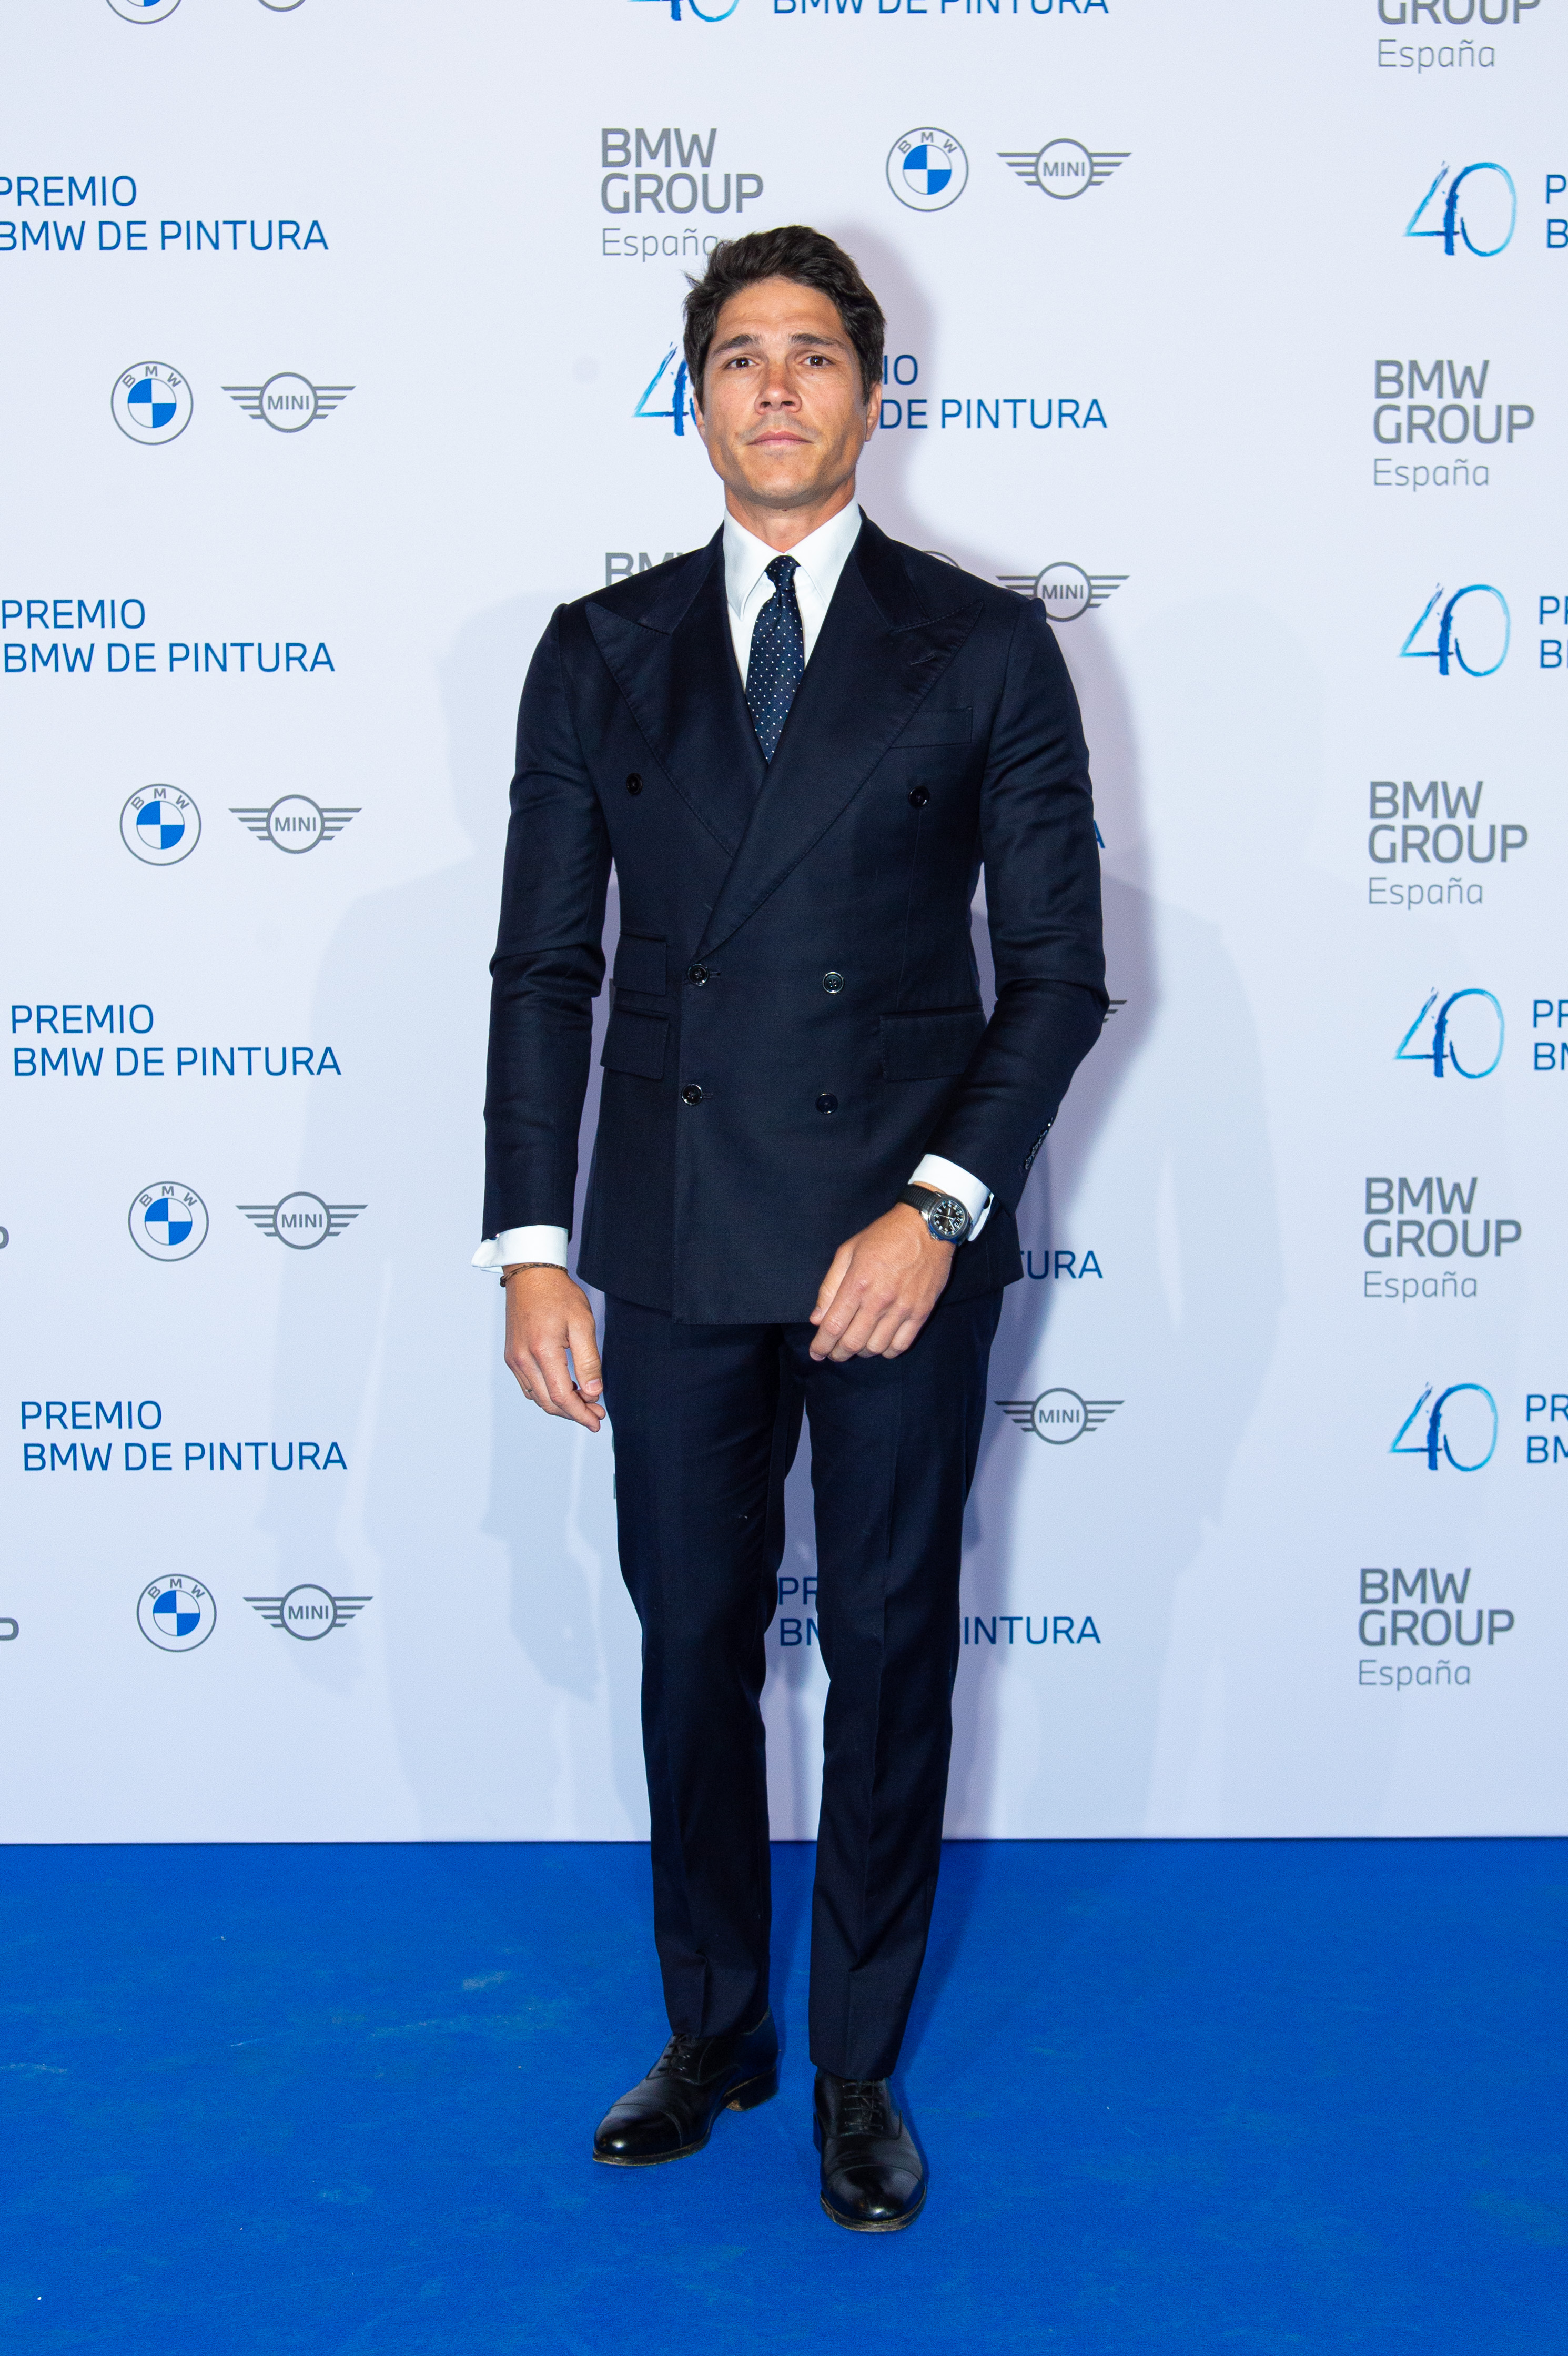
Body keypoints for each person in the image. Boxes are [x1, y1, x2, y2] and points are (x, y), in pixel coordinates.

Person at [476, 225, 1105, 2230]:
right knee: (691, 1644)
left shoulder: (985, 645)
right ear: (695, 397)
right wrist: (531, 1244)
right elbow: (545, 967)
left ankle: (854, 2066)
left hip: (895, 1235)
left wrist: (937, 1210)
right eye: (739, 354)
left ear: (871, 392)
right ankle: (715, 2032)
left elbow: (1060, 975)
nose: (776, 386)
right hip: (670, 1232)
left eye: (814, 353)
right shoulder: (599, 648)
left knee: (896, 1643)